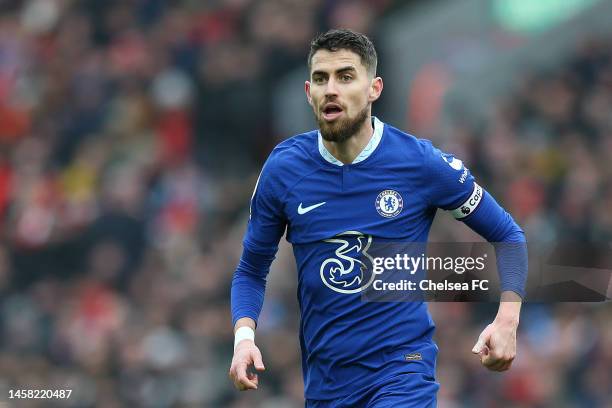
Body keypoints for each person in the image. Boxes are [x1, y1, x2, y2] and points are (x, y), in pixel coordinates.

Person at [229, 29, 527, 407]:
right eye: (321, 79)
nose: (331, 89)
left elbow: (507, 235)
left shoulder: (420, 163)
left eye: (345, 76)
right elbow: (251, 270)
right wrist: (243, 340)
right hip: (326, 383)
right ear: (308, 93)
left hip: (402, 371)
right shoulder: (284, 170)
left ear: (374, 89)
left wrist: (507, 321)